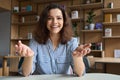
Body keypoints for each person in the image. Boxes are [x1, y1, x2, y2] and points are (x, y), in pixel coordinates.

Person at [15, 3, 91, 77]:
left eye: (59, 18)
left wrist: (77, 57)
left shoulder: (72, 42)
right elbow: (25, 73)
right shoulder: (35, 41)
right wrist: (29, 57)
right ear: (44, 21)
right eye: (49, 18)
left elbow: (80, 73)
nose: (55, 22)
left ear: (64, 21)